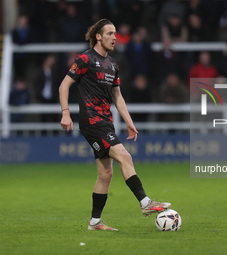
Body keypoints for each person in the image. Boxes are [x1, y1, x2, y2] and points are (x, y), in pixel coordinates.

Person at [59, 19, 170, 231]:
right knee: (125, 156)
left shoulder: (113, 64)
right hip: (91, 120)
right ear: (98, 36)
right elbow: (64, 85)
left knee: (105, 174)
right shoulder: (85, 59)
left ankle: (95, 222)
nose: (114, 37)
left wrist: (129, 122)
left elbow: (117, 96)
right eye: (110, 33)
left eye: (115, 33)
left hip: (106, 122)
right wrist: (66, 113)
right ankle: (146, 203)